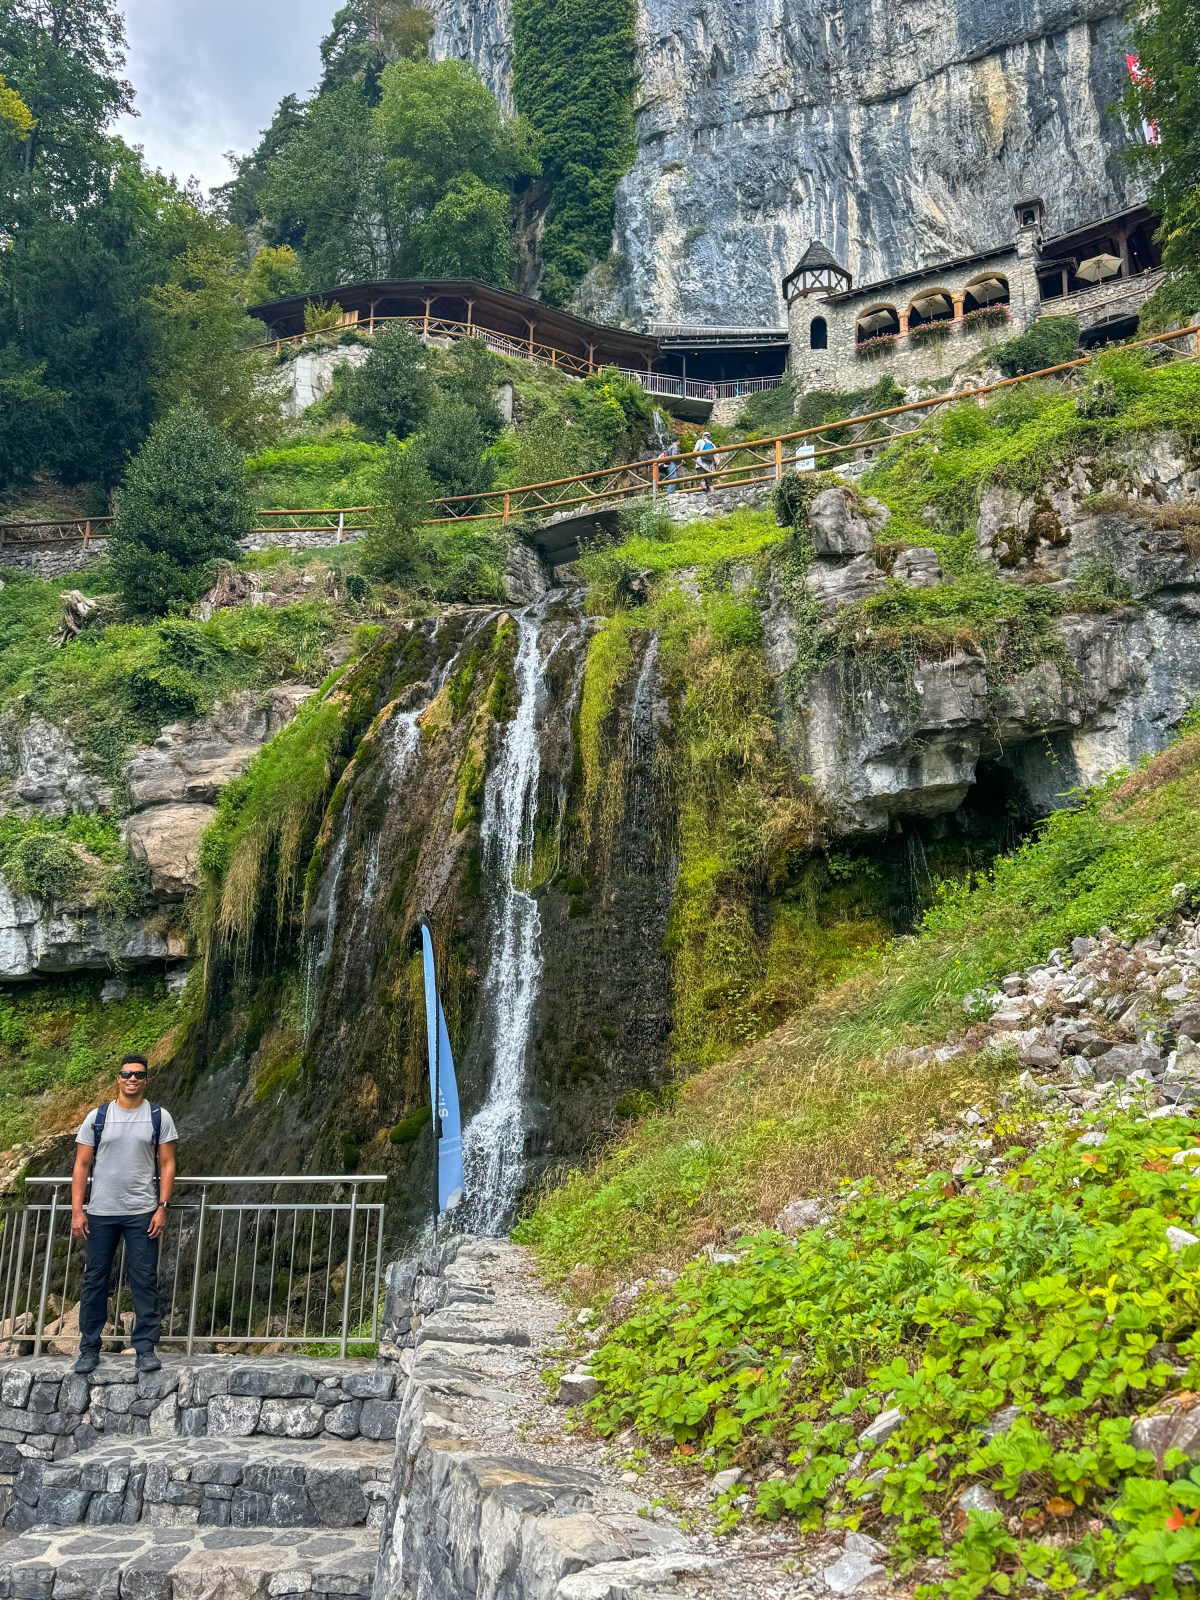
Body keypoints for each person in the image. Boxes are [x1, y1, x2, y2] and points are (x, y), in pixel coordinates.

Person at [71, 1054, 178, 1375]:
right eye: (127, 1074)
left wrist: (162, 1206)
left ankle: (145, 1348)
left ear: (146, 1079)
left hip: (143, 1212)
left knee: (145, 1281)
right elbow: (81, 1164)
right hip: (100, 1212)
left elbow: (168, 1163)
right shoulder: (98, 1117)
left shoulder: (159, 1117)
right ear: (118, 1078)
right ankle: (89, 1348)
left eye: (139, 1075)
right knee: (94, 1280)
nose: (132, 1079)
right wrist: (78, 1209)